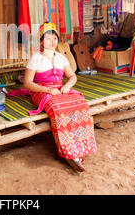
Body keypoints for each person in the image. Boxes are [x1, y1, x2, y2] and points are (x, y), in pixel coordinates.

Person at [23, 22, 97, 171]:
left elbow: (72, 76)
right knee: (58, 108)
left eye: (55, 38)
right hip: (41, 91)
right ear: (42, 41)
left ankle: (82, 145)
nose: (53, 41)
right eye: (49, 38)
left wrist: (68, 85)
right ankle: (69, 152)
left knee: (81, 103)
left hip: (60, 89)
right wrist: (47, 90)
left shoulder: (61, 58)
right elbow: (27, 83)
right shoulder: (35, 58)